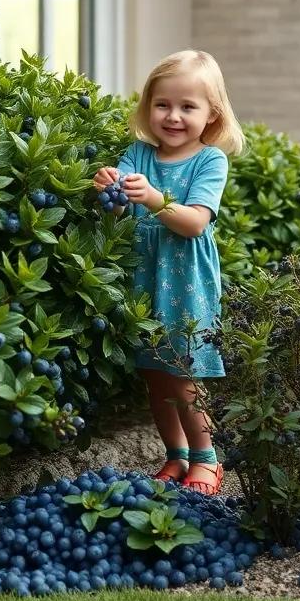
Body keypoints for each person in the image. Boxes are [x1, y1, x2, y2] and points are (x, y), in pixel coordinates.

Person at [93, 49, 244, 495]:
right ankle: (176, 455)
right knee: (155, 375)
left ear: (212, 114)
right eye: (163, 105)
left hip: (185, 282)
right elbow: (119, 210)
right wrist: (113, 190)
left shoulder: (209, 161)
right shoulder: (138, 154)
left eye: (187, 106)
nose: (173, 116)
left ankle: (207, 459)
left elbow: (195, 221)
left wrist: (155, 199)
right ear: (148, 106)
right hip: (144, 278)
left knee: (183, 373)